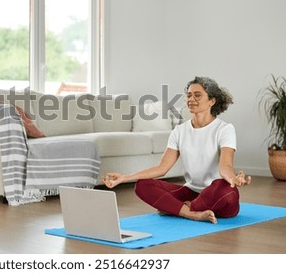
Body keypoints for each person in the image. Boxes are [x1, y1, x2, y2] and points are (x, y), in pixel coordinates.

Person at [103, 76, 251, 224]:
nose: (191, 99)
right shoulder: (179, 131)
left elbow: (225, 166)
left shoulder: (225, 129)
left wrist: (233, 179)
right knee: (142, 185)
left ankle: (178, 209)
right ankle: (192, 213)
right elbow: (161, 168)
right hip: (191, 192)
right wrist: (124, 178)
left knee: (227, 191)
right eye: (189, 95)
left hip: (215, 192)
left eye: (197, 95)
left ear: (212, 101)